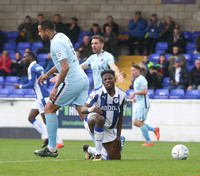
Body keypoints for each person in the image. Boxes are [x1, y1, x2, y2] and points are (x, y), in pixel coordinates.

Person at [34, 19, 89, 157]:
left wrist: (55, 87)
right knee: (84, 114)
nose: (39, 34)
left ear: (47, 31)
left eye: (40, 31)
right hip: (82, 78)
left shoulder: (56, 43)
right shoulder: (62, 36)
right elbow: (64, 62)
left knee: (48, 109)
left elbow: (65, 67)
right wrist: (47, 74)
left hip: (72, 80)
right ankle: (104, 144)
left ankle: (52, 149)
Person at [14, 51, 64, 149]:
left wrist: (19, 86)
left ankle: (58, 141)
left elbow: (31, 84)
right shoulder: (39, 66)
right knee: (31, 118)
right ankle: (46, 137)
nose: (23, 59)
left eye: (25, 57)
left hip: (41, 97)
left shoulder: (31, 68)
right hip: (40, 97)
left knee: (47, 121)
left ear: (31, 57)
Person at [82, 69, 127, 160]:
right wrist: (92, 109)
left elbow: (120, 115)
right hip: (93, 121)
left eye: (110, 78)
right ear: (102, 81)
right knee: (99, 118)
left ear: (115, 79)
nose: (107, 80)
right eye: (105, 79)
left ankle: (89, 149)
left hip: (108, 128)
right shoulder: (96, 92)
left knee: (115, 158)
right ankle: (98, 154)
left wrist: (118, 136)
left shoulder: (122, 95)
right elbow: (83, 109)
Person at [129, 65, 160, 146]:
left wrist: (134, 93)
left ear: (139, 70)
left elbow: (145, 91)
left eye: (134, 70)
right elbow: (140, 91)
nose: (133, 72)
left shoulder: (142, 79)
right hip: (139, 103)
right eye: (131, 70)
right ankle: (154, 130)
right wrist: (136, 97)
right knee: (135, 122)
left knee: (140, 122)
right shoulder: (136, 80)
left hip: (143, 104)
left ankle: (149, 141)